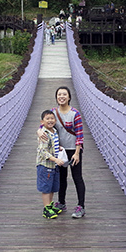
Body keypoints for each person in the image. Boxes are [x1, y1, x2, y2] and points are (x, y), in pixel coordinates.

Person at [38, 86, 86, 218]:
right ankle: (62, 202)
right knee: (61, 178)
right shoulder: (53, 112)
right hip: (59, 150)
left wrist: (77, 153)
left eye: (64, 94)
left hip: (73, 150)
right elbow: (44, 124)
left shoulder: (75, 113)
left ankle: (81, 206)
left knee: (77, 177)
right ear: (56, 97)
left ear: (69, 97)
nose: (62, 97)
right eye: (59, 95)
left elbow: (80, 135)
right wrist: (39, 130)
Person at [36, 110, 66, 219]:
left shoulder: (54, 131)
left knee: (52, 187)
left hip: (53, 166)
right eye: (47, 119)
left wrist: (58, 148)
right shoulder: (44, 134)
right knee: (46, 188)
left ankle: (50, 205)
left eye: (52, 118)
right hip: (45, 166)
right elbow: (42, 152)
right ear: (42, 121)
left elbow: (51, 145)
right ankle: (46, 209)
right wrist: (56, 159)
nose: (50, 120)